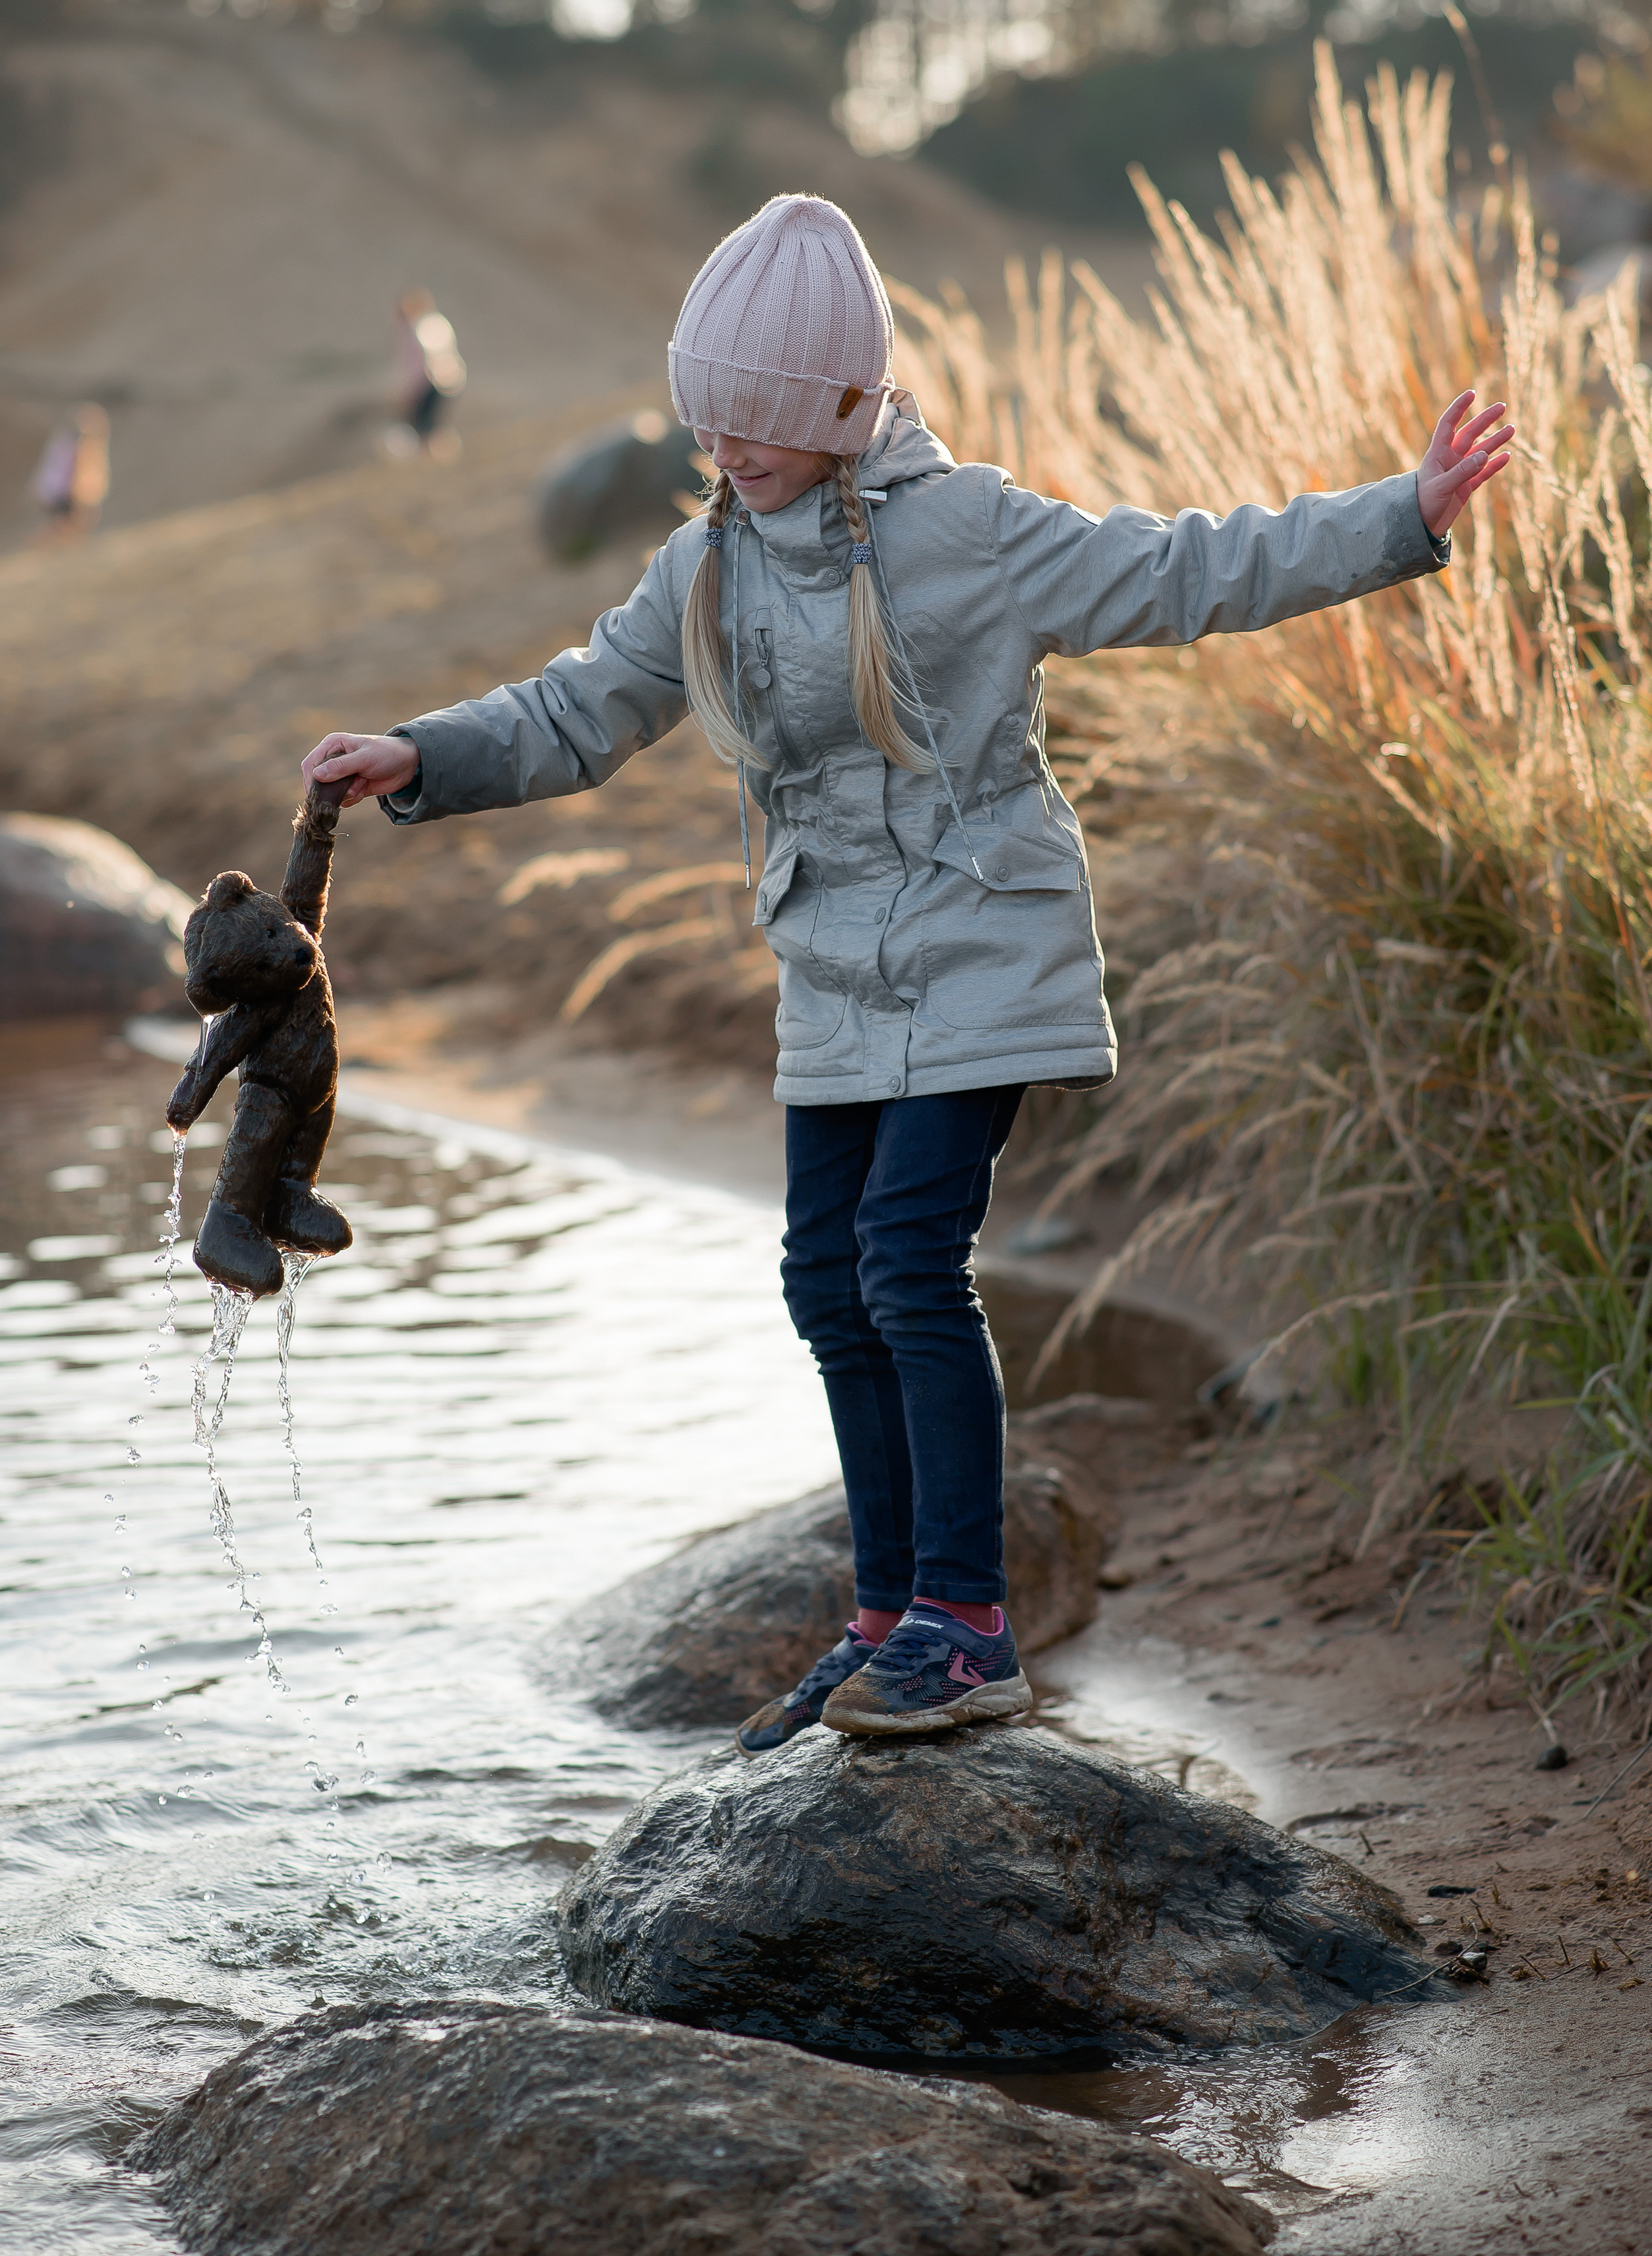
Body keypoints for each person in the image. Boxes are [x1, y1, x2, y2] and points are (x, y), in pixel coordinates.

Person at [302, 194, 1512, 1753]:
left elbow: (1186, 570)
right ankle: (882, 1618)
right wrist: (425, 752)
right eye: (707, 422)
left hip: (980, 951)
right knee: (823, 1279)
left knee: (902, 1265)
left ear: (838, 406)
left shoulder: (972, 534)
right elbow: (582, 703)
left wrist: (1398, 514)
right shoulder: (706, 566)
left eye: (755, 423)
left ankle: (968, 1619)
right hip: (833, 974)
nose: (724, 451)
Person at [387, 288, 466, 460]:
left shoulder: (418, 329)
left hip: (431, 382)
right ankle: (439, 456)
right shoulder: (437, 323)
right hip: (448, 379)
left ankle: (435, 458)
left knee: (424, 425)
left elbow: (422, 364)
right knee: (430, 424)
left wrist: (412, 392)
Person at [30, 402, 110, 538]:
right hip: (63, 493)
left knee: (67, 526)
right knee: (71, 526)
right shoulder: (81, 447)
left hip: (51, 491)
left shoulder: (64, 441)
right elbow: (80, 474)